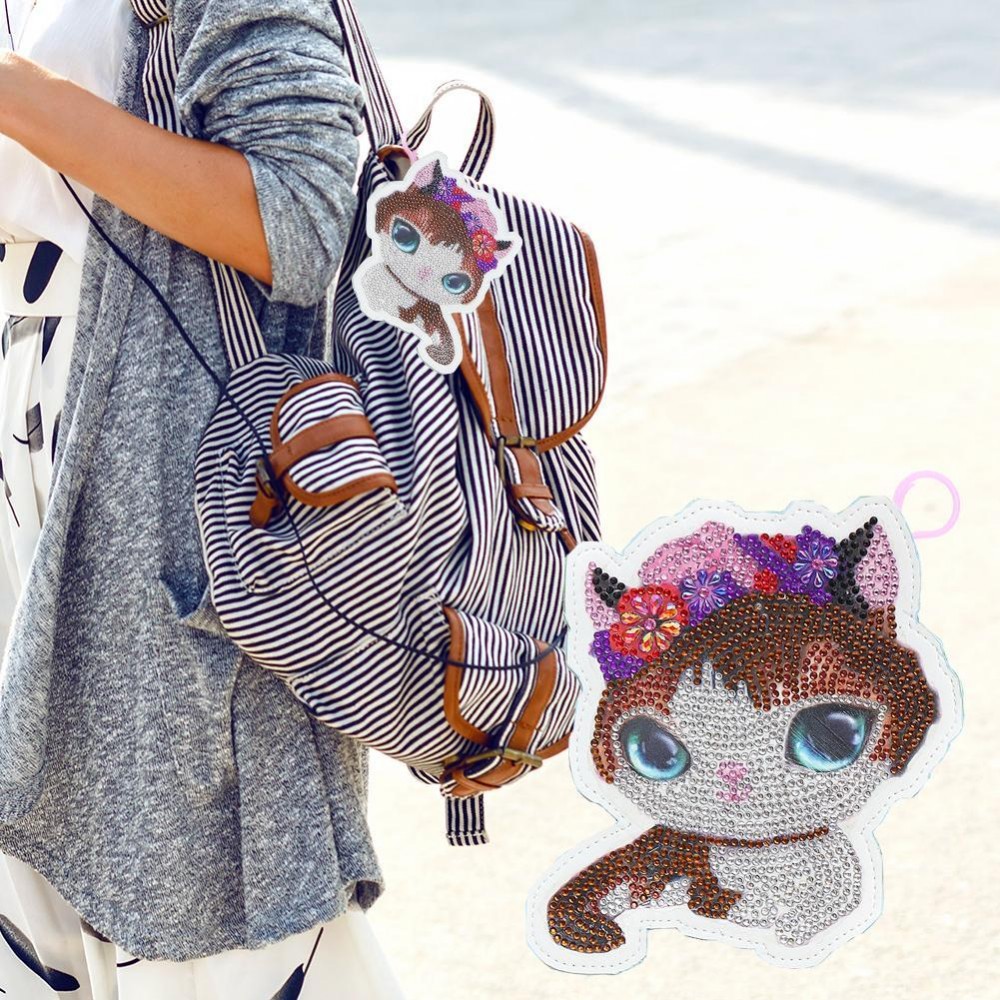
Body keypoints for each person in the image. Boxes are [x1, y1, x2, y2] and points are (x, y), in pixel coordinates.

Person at [0, 0, 404, 996]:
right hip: (39, 462)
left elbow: (301, 217)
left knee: (205, 929)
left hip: (165, 480)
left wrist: (12, 92)